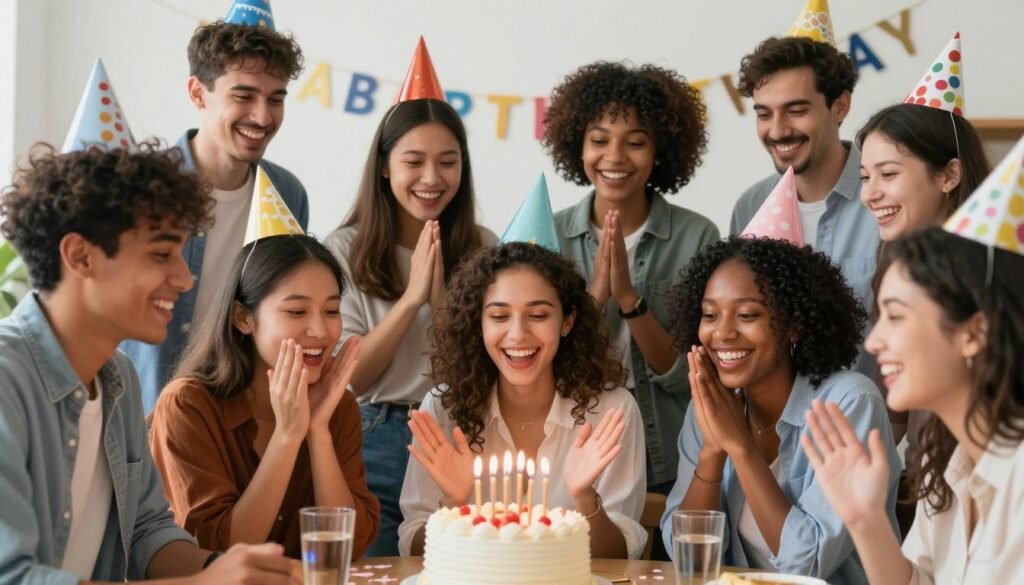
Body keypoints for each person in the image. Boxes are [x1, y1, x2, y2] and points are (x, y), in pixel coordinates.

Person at [0, 143, 301, 584]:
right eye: (162, 255)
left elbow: (146, 532)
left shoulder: (118, 378)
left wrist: (225, 570)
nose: (184, 278)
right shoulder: (8, 380)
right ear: (80, 256)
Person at [660, 236, 900, 585]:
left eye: (746, 315)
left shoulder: (849, 402)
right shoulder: (711, 405)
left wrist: (740, 448)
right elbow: (687, 558)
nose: (722, 333)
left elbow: (806, 565)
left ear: (794, 325)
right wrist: (712, 451)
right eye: (710, 315)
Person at [802, 226, 1024, 584]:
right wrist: (865, 518)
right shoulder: (948, 464)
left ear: (973, 333)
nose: (873, 342)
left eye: (896, 316)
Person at [323, 95, 495, 555]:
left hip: (460, 433)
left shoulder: (484, 246)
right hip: (373, 432)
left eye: (448, 162)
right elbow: (348, 378)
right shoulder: (343, 249)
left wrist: (443, 305)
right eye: (413, 161)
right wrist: (412, 298)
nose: (432, 179)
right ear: (384, 167)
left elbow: (484, 366)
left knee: (461, 566)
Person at [398, 243, 647, 559]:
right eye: (499, 315)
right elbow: (413, 552)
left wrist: (584, 498)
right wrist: (453, 502)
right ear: (479, 322)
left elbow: (618, 559)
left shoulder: (612, 412)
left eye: (538, 315)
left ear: (567, 321)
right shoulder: (443, 408)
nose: (517, 334)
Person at [543, 61, 720, 495]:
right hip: (573, 441)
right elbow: (543, 359)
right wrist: (596, 295)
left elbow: (687, 375)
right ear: (577, 148)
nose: (615, 158)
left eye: (635, 143)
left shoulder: (698, 236)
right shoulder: (548, 234)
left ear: (659, 151)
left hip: (670, 447)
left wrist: (629, 299)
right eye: (599, 141)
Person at [148, 234, 380, 560]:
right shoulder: (187, 406)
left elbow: (348, 548)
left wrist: (317, 432)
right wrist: (287, 435)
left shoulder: (337, 407)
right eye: (297, 312)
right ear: (243, 318)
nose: (320, 330)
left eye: (331, 310)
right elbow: (217, 551)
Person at [121, 13, 309, 413]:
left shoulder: (288, 194)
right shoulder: (137, 187)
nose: (263, 117)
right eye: (243, 96)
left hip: (240, 418)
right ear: (197, 92)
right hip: (144, 415)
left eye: (276, 99)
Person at [731, 36, 879, 379]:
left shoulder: (885, 200)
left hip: (871, 423)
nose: (778, 130)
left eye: (796, 111)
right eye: (764, 114)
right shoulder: (750, 206)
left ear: (840, 106)